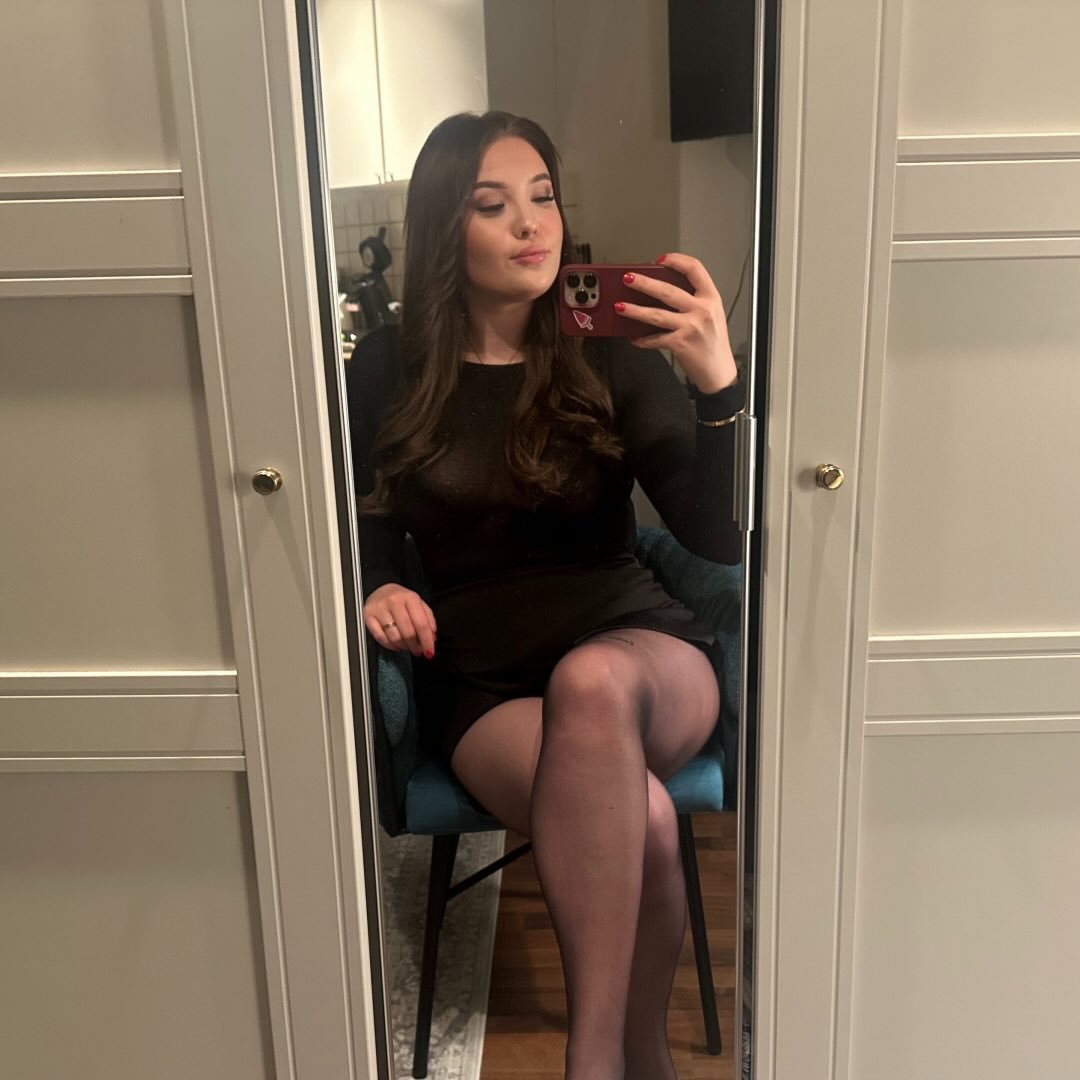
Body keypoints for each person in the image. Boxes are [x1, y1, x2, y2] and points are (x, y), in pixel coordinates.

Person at [347, 111, 744, 1080]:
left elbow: (715, 536)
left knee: (593, 684)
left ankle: (588, 1065)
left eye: (544, 197)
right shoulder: (389, 366)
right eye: (493, 205)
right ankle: (643, 1057)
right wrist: (379, 583)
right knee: (649, 821)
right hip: (486, 684)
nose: (532, 224)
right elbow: (363, 516)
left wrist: (718, 389)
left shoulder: (608, 351)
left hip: (640, 656)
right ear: (445, 225)